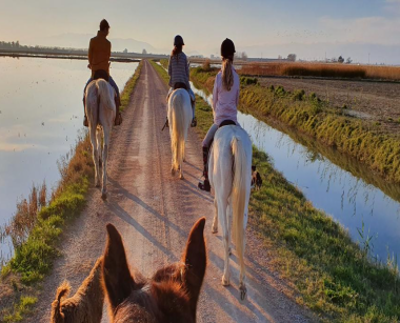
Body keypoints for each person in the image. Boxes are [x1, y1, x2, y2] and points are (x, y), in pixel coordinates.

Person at [198, 38, 240, 192]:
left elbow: (214, 101)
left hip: (220, 121)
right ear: (233, 56)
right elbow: (236, 102)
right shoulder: (237, 77)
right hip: (233, 122)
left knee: (204, 144)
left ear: (221, 56)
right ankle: (247, 177)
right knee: (245, 143)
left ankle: (207, 180)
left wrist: (217, 116)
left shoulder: (217, 77)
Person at [83, 19, 122, 127]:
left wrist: (92, 65)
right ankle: (117, 117)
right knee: (116, 92)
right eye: (108, 30)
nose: (108, 32)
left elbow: (90, 57)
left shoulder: (92, 41)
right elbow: (107, 57)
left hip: (95, 74)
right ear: (105, 29)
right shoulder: (108, 43)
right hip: (105, 74)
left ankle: (86, 117)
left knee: (84, 94)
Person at [166, 35, 197, 127]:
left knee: (168, 99)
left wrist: (175, 75)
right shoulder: (184, 57)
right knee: (193, 99)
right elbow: (187, 74)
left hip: (174, 85)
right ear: (182, 45)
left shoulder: (171, 57)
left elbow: (169, 72)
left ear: (174, 45)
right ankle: (192, 119)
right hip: (184, 85)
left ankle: (167, 118)